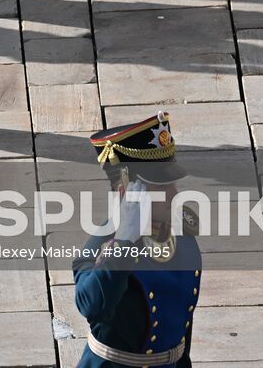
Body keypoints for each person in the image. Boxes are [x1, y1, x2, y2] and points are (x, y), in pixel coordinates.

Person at [75, 112, 200, 368]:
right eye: (161, 187)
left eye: (172, 185)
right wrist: (124, 242)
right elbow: (91, 305)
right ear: (126, 191)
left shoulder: (181, 232)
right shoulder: (101, 245)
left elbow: (179, 321)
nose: (174, 194)